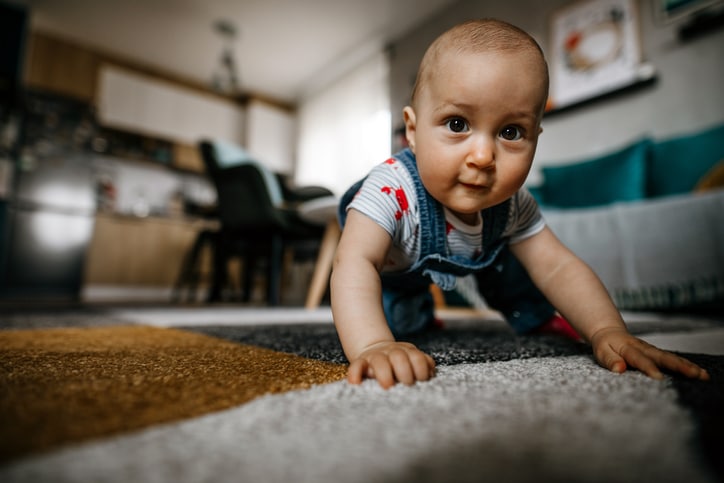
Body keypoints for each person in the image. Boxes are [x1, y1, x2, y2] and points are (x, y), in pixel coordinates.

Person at [330, 18, 710, 389]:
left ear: (535, 137)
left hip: (470, 259)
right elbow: (355, 261)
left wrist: (606, 329)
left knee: (517, 266)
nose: (482, 156)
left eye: (511, 132)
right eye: (457, 124)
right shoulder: (391, 188)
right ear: (412, 132)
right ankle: (406, 318)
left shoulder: (513, 205)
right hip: (390, 271)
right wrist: (374, 345)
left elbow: (558, 267)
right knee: (398, 322)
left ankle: (534, 316)